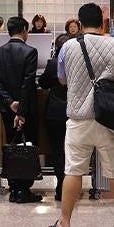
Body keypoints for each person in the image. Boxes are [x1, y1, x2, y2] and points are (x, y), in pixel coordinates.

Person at [50, 3, 114, 227]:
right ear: (102, 22)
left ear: (80, 22)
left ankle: (64, 223)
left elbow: (62, 79)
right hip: (110, 120)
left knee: (74, 170)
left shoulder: (67, 47)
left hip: (78, 119)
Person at [0, 15, 43, 203]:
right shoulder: (30, 51)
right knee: (27, 146)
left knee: (12, 145)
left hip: (7, 109)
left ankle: (14, 188)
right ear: (23, 30)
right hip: (26, 109)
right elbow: (27, 83)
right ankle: (24, 190)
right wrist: (21, 110)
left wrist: (9, 103)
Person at [40, 33, 71, 201]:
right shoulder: (77, 61)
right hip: (74, 112)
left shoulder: (53, 63)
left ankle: (61, 185)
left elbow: (42, 83)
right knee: (72, 152)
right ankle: (70, 187)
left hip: (54, 112)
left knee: (58, 151)